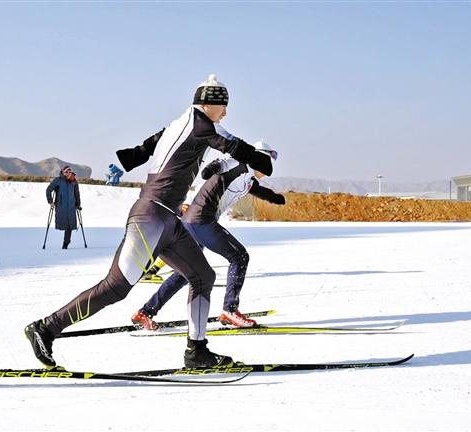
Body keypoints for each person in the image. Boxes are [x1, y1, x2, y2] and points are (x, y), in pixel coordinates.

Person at [24, 74, 273, 368]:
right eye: (224, 107)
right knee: (116, 287)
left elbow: (150, 144)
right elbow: (238, 149)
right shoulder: (200, 124)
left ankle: (197, 351)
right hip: (150, 217)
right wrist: (259, 158)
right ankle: (45, 327)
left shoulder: (182, 124)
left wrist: (135, 154)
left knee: (203, 276)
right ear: (210, 104)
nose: (226, 113)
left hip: (168, 220)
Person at [131, 141, 285, 331]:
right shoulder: (237, 164)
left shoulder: (248, 180)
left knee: (185, 272)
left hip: (193, 221)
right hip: (201, 219)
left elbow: (258, 190)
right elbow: (221, 165)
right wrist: (213, 167)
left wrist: (276, 198)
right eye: (270, 160)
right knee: (239, 257)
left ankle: (145, 312)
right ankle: (230, 310)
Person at [46, 166, 81, 249]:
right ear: (62, 172)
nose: (68, 173)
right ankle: (66, 242)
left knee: (70, 225)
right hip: (61, 207)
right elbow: (48, 190)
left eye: (69, 171)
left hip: (72, 207)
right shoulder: (58, 180)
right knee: (65, 224)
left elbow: (77, 193)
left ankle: (66, 242)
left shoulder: (73, 181)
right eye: (66, 171)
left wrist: (78, 205)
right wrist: (50, 201)